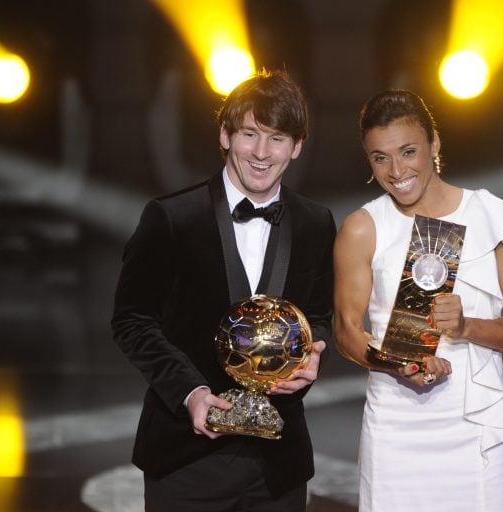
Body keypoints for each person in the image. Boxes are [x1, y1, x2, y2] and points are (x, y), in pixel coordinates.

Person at [111, 70, 335, 511]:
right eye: (250, 133)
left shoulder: (316, 222)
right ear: (225, 134)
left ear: (297, 146)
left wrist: (312, 356)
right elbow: (131, 320)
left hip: (278, 465)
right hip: (185, 456)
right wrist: (190, 394)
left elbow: (318, 315)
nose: (261, 152)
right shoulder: (171, 217)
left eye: (277, 138)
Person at [334, 90, 503, 512]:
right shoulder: (362, 227)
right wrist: (399, 365)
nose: (397, 171)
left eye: (408, 151)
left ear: (434, 143)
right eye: (380, 158)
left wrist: (468, 327)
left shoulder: (490, 214)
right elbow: (345, 330)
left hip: (474, 426)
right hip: (395, 423)